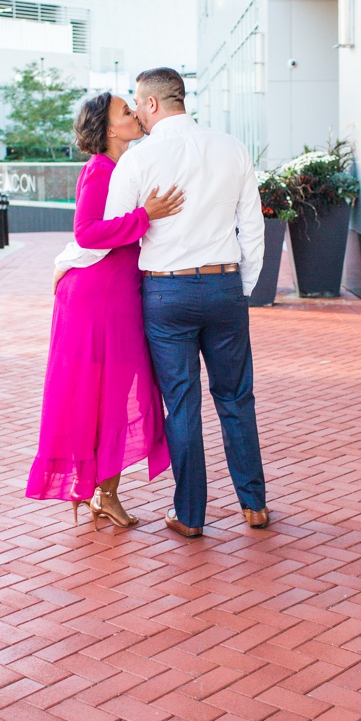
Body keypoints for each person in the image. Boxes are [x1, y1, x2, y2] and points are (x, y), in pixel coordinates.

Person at [105, 66, 268, 538]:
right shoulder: (231, 148)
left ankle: (191, 515)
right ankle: (253, 504)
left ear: (153, 104)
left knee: (182, 404)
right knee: (236, 397)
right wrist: (242, 287)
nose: (135, 110)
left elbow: (115, 230)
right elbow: (251, 229)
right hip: (223, 287)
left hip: (166, 292)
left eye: (137, 102)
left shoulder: (138, 160)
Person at [26, 93, 178, 527]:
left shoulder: (122, 166)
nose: (134, 115)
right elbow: (88, 232)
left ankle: (101, 490)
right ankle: (99, 491)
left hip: (115, 296)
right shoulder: (100, 170)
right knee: (100, 394)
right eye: (126, 112)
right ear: (110, 129)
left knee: (114, 392)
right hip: (96, 301)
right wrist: (144, 217)